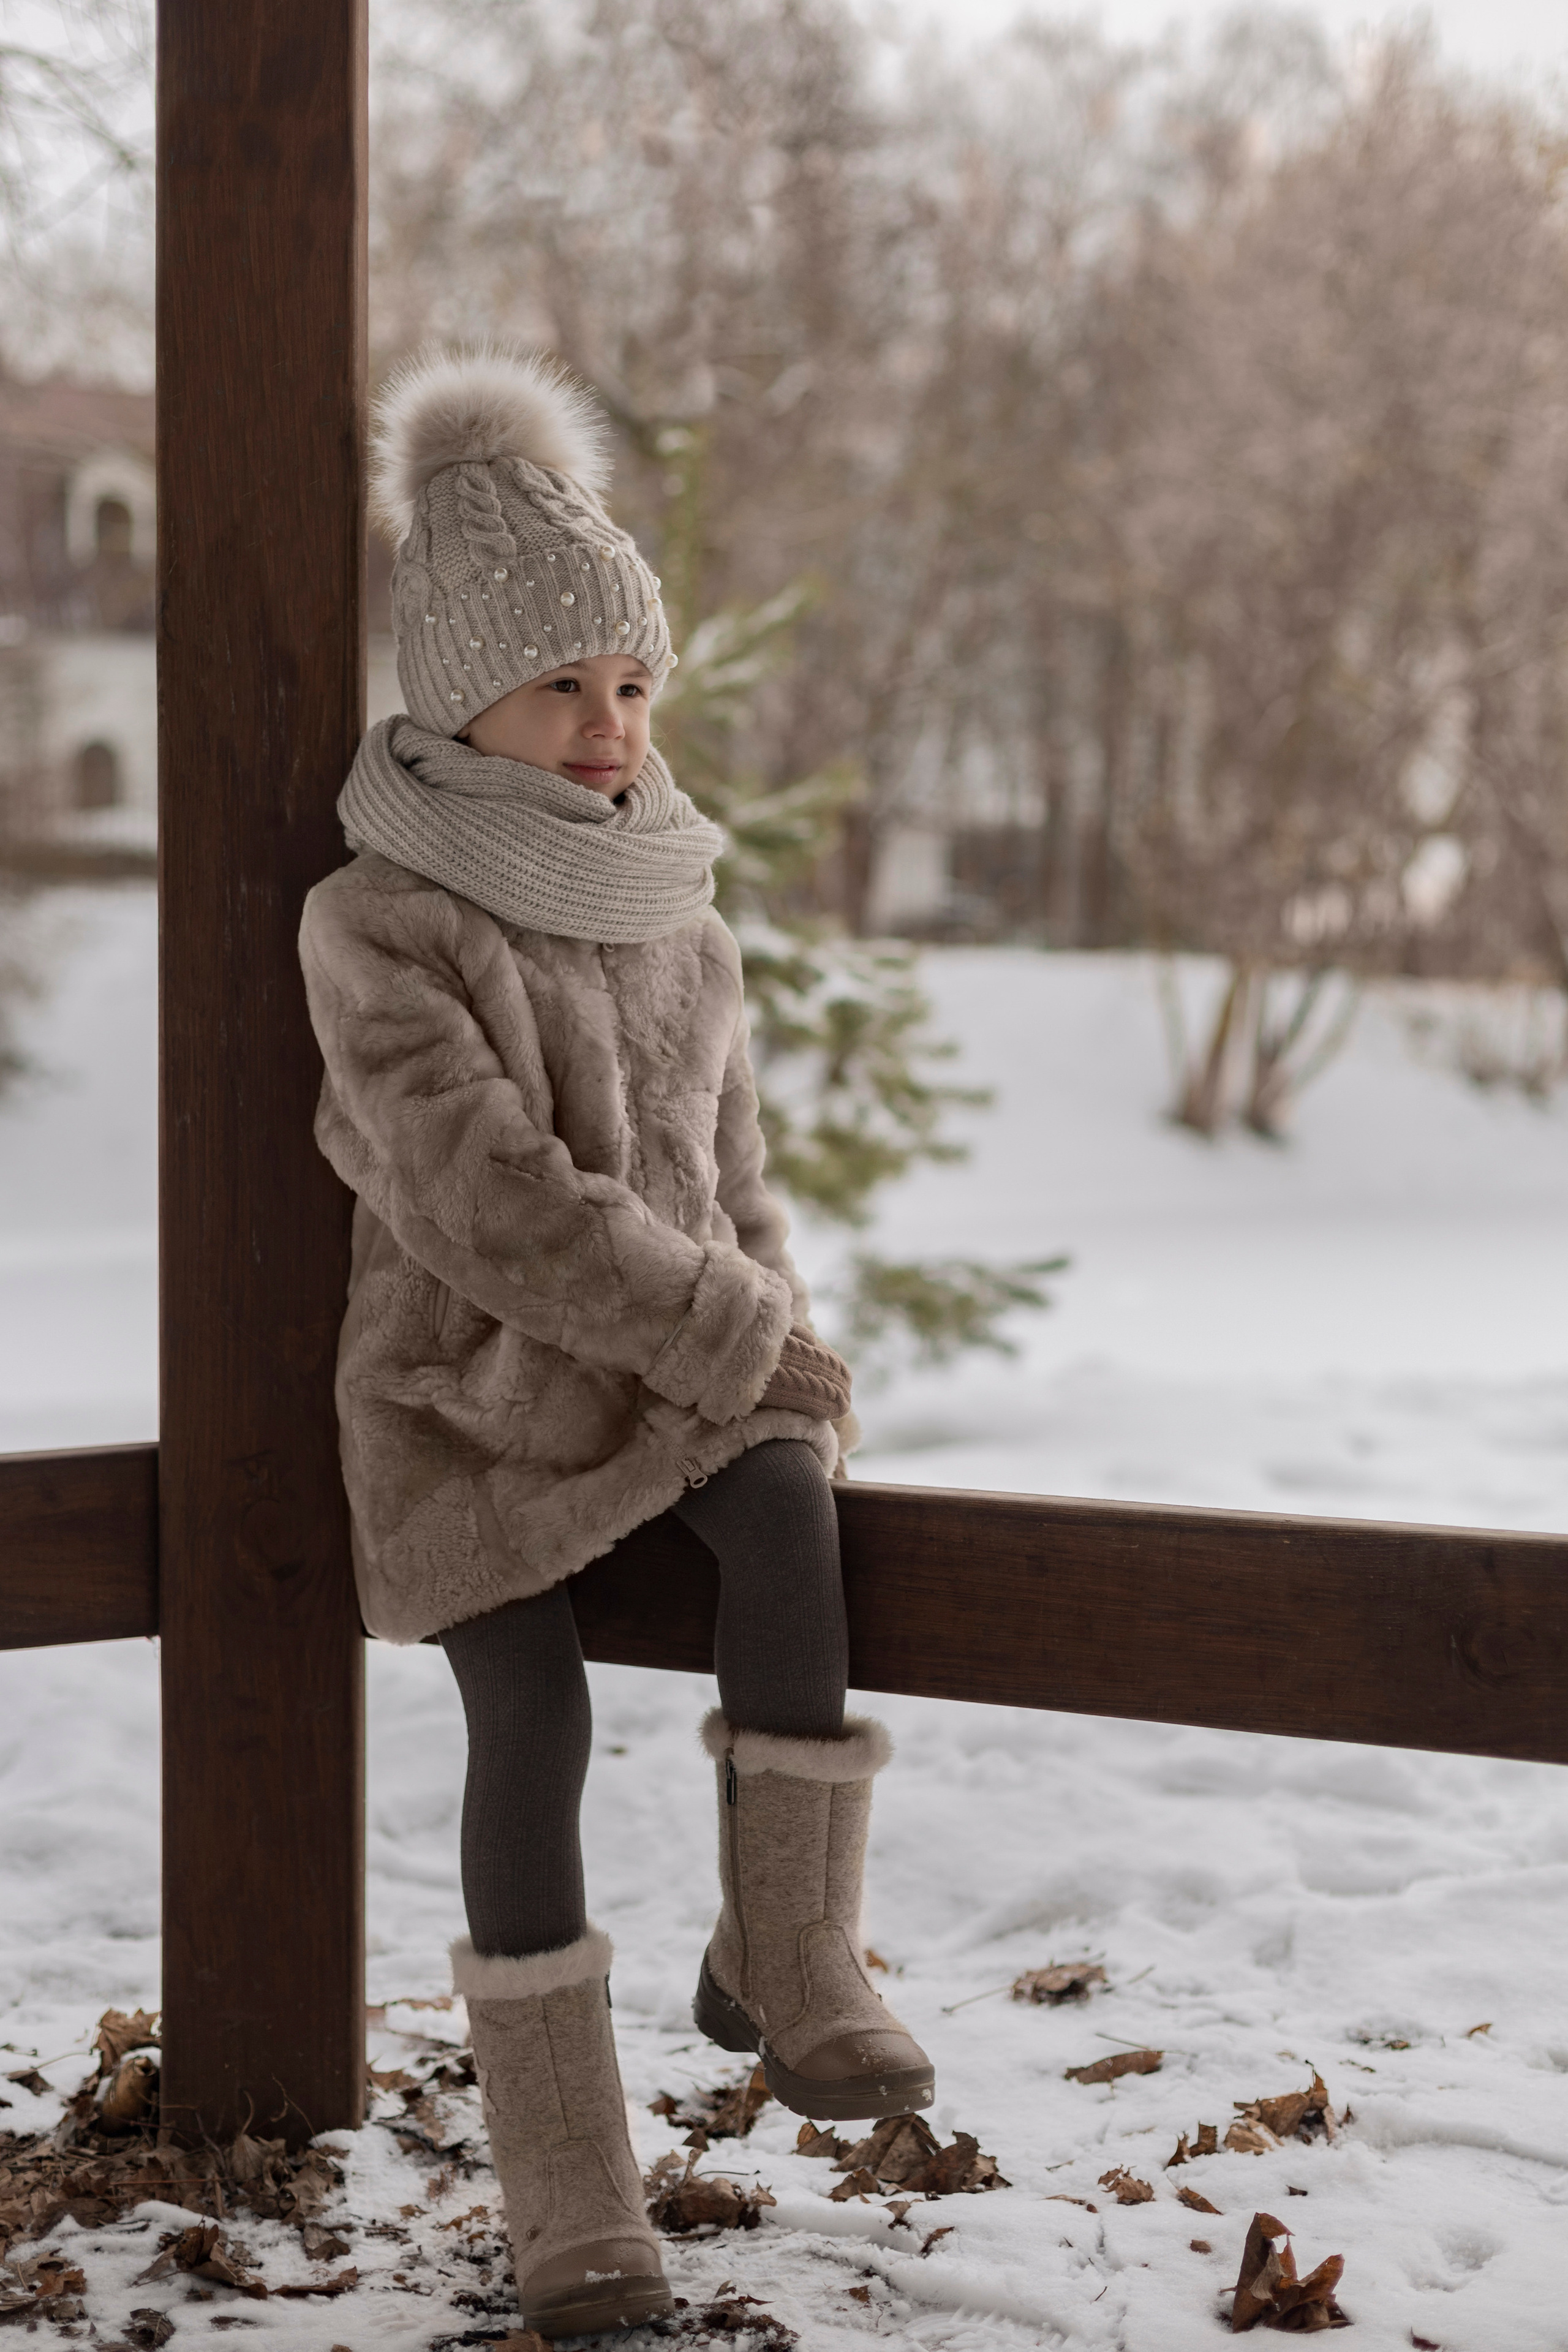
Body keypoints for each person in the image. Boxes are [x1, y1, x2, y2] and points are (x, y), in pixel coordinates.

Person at [298, 347, 934, 2340]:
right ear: (454, 698)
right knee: (533, 1711)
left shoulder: (684, 914)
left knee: (789, 1510)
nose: (608, 725)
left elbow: (733, 1184)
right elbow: (488, 1202)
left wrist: (779, 1354)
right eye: (562, 684)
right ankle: (574, 2187)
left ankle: (791, 1955)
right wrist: (734, 1333)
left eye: (634, 685)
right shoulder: (383, 925)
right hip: (469, 1406)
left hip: (675, 1381)